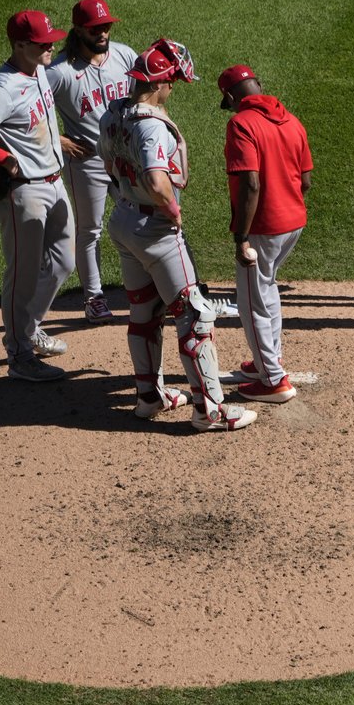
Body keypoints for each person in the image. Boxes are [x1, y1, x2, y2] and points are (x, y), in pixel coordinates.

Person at [98, 39, 256, 432]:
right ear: (161, 81)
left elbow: (107, 164)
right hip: (155, 228)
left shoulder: (112, 113)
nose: (174, 89)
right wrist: (172, 209)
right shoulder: (151, 126)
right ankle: (211, 411)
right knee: (196, 314)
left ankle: (149, 398)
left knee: (144, 311)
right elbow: (156, 178)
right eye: (173, 83)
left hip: (123, 220)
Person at [0, 10, 76, 382]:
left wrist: (59, 143)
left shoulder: (38, 69)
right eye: (42, 42)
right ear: (19, 45)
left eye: (51, 39)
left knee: (63, 262)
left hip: (55, 183)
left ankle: (28, 329)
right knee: (22, 274)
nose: (51, 45)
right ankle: (19, 355)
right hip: (24, 193)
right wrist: (5, 159)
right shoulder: (2, 88)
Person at [218, 65, 313, 404]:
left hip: (263, 227)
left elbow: (251, 182)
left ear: (231, 97)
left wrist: (241, 236)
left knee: (252, 301)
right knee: (267, 287)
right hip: (294, 223)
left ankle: (273, 380)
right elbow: (305, 181)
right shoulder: (292, 120)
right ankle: (268, 360)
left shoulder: (241, 124)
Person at [46, 0, 139, 325]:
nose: (102, 32)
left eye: (106, 25)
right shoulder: (59, 71)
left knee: (140, 216)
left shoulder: (125, 55)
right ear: (78, 29)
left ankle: (145, 285)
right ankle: (94, 298)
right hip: (87, 163)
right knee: (90, 230)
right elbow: (29, 110)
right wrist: (60, 140)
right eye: (94, 27)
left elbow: (143, 93)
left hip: (125, 155)